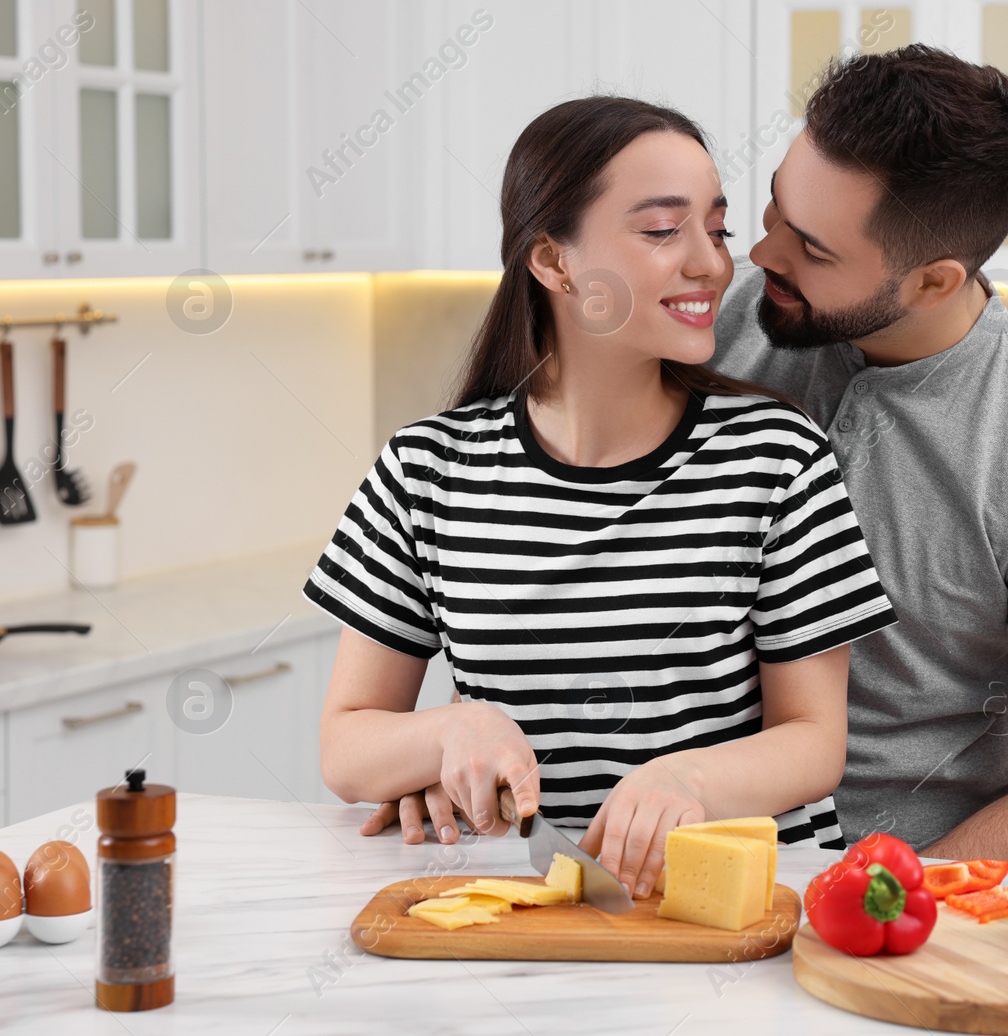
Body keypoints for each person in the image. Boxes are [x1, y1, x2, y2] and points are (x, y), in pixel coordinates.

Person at [306, 96, 897, 898]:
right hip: (530, 901)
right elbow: (347, 745)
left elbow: (815, 740)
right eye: (662, 230)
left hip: (742, 906)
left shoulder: (778, 458)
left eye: (716, 230)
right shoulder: (425, 471)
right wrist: (450, 733)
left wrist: (687, 782)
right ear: (552, 262)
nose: (712, 264)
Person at [704, 45, 1008, 864]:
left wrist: (878, 893)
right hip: (657, 867)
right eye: (773, 206)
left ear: (934, 283)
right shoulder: (705, 328)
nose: (763, 253)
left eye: (814, 249)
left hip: (898, 915)